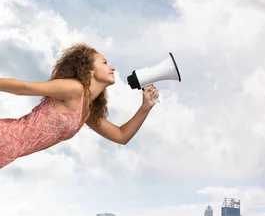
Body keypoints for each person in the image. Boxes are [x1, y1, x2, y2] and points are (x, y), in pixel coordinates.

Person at [0, 43, 159, 169]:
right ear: (89, 69)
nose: (112, 68)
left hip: (7, 152)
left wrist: (145, 106)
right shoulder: (74, 89)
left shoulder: (86, 111)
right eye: (104, 63)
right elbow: (24, 88)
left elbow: (121, 136)